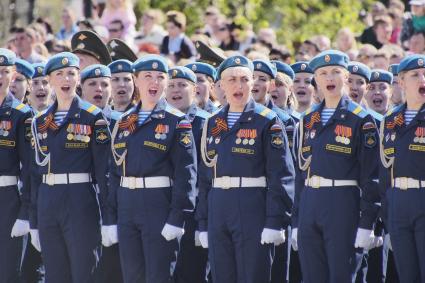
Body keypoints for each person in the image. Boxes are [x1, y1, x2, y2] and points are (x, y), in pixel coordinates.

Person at [196, 55, 295, 283]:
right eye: (231, 80)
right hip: (218, 206)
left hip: (253, 206)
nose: (238, 86)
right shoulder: (212, 123)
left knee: (253, 275)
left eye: (244, 79)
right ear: (220, 85)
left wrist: (274, 221)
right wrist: (202, 222)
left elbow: (281, 175)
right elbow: (204, 177)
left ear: (253, 83)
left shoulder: (267, 121)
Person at [107, 55, 197, 283]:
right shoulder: (124, 121)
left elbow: (186, 174)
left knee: (158, 276)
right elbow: (115, 171)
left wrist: (177, 217)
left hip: (158, 205)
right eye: (147, 77)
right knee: (131, 276)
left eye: (160, 77)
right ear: (136, 81)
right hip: (127, 205)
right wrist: (111, 216)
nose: (154, 83)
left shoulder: (177, 121)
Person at [292, 50, 380, 283]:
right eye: (322, 74)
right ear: (316, 80)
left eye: (335, 73)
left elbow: (372, 176)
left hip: (343, 203)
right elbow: (301, 173)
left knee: (341, 276)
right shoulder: (308, 119)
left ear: (346, 77)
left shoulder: (361, 119)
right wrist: (296, 221)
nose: (329, 78)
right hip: (311, 202)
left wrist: (367, 223)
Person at [30, 52, 111, 282]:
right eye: (59, 74)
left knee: (84, 271)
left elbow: (104, 172)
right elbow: (35, 174)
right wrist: (34, 220)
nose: (65, 80)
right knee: (54, 274)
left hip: (80, 200)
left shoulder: (93, 117)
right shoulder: (39, 121)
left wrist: (108, 217)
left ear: (77, 79)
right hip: (48, 201)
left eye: (71, 74)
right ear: (50, 80)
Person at [380, 54, 425, 283]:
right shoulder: (390, 119)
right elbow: (384, 171)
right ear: (401, 83)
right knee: (406, 275)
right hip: (398, 202)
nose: (422, 79)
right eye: (415, 75)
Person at [165, 66, 210, 283]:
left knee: (192, 272)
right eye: (171, 85)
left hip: (194, 213)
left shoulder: (206, 122)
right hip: (161, 209)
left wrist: (203, 221)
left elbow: (206, 175)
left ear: (194, 90)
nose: (176, 90)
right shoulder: (159, 119)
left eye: (182, 85)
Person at [0, 48, 32, 283]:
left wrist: (25, 212)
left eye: (4, 72)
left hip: (8, 198)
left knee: (8, 270)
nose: (0, 77)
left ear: (13, 76)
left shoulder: (22, 114)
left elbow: (29, 168)